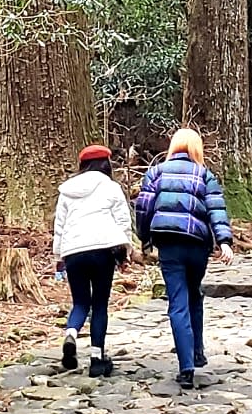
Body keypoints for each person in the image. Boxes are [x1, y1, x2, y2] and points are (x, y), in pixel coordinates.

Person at [135, 128, 235, 390]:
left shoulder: (156, 172)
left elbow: (143, 207)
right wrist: (223, 241)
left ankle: (186, 366)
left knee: (178, 303)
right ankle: (197, 351)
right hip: (197, 245)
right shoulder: (204, 175)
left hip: (168, 244)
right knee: (194, 295)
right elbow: (216, 208)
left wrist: (144, 238)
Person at [54, 145, 132, 377]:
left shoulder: (67, 190)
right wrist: (125, 251)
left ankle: (71, 333)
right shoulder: (111, 187)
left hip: (74, 251)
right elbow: (122, 221)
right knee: (99, 304)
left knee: (80, 303)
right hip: (103, 250)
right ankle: (97, 358)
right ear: (106, 164)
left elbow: (60, 225)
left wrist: (59, 257)